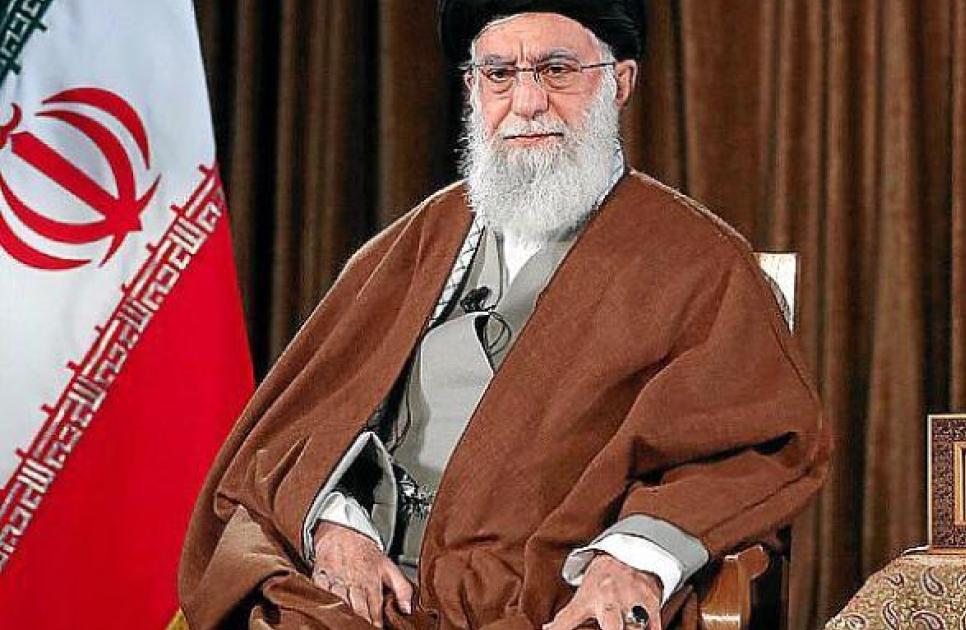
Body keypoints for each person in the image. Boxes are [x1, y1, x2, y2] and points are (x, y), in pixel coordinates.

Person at [179, 2, 831, 629]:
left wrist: (631, 559)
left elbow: (756, 445)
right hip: (365, 599)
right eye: (499, 74)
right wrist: (335, 526)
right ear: (472, 89)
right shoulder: (415, 242)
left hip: (544, 595)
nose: (527, 102)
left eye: (557, 70)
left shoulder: (699, 262)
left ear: (621, 83)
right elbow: (298, 431)